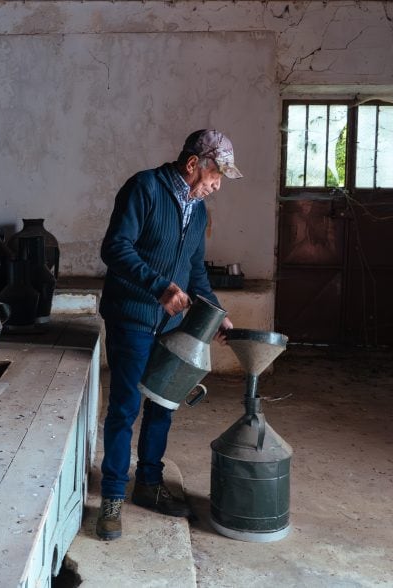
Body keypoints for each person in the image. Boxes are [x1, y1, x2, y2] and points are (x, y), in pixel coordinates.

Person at [96, 128, 240, 541]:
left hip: (173, 325)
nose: (217, 186)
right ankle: (111, 498)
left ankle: (149, 484)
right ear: (193, 164)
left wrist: (217, 314)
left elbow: (196, 272)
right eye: (215, 176)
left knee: (163, 404)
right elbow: (116, 248)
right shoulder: (144, 188)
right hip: (133, 316)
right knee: (125, 407)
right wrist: (158, 286)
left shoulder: (198, 211)